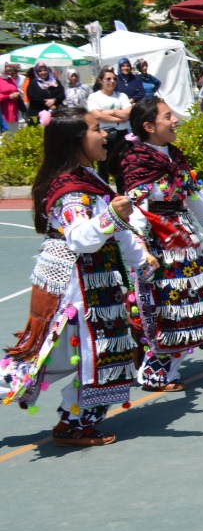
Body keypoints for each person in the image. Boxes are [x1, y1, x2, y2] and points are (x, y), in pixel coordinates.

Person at [1, 111, 147, 446]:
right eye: (96, 129)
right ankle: (75, 423)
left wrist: (142, 260)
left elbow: (116, 229)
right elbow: (81, 238)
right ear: (76, 140)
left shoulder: (89, 180)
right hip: (74, 287)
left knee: (93, 355)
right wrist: (113, 216)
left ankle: (74, 422)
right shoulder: (70, 190)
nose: (105, 135)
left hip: (95, 284)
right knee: (67, 358)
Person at [115, 96, 203, 391]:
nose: (175, 120)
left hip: (183, 240)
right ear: (149, 126)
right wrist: (139, 246)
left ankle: (162, 367)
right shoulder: (138, 161)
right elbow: (136, 208)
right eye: (168, 116)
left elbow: (191, 195)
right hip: (160, 245)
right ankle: (155, 371)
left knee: (193, 303)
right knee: (168, 307)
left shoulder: (173, 157)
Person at [85, 67, 132, 138]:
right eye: (108, 79)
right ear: (100, 81)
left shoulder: (122, 96)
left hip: (122, 134)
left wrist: (112, 112)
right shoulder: (93, 97)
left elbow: (128, 112)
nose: (112, 81)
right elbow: (97, 115)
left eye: (114, 79)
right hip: (104, 134)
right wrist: (120, 119)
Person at [0, 61, 23, 132]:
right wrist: (8, 97)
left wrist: (18, 94)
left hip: (14, 110)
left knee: (14, 133)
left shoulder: (11, 79)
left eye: (9, 66)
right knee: (5, 136)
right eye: (6, 67)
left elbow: (16, 90)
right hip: (3, 110)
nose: (9, 68)